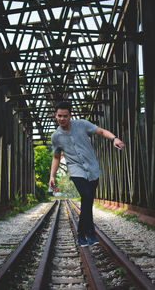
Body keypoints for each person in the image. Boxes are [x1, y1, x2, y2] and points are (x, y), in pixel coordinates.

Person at [49, 101, 125, 247]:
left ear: (70, 116)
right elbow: (56, 157)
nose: (62, 119)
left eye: (65, 116)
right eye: (59, 116)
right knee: (86, 196)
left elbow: (101, 131)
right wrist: (52, 176)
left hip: (92, 169)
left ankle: (83, 234)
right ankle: (87, 234)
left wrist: (114, 138)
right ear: (55, 115)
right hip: (76, 170)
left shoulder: (82, 124)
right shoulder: (56, 136)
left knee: (88, 202)